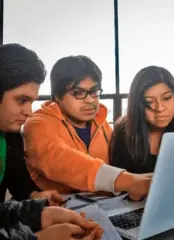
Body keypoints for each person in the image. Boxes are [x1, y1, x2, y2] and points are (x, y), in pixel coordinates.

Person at [0, 43, 103, 239]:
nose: (28, 112)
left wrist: (37, 203)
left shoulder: (11, 135)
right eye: (21, 100)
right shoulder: (37, 124)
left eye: (31, 102)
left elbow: (17, 182)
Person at [24, 55, 152, 201]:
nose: (90, 100)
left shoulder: (103, 124)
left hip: (108, 207)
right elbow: (62, 160)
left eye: (94, 91)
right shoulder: (37, 124)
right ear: (58, 96)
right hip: (59, 213)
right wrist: (128, 181)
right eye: (78, 93)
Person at [110, 66, 174, 174]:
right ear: (137, 106)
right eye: (149, 102)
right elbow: (119, 184)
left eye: (167, 98)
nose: (160, 108)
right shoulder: (123, 132)